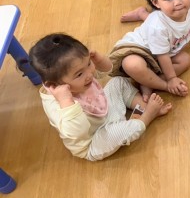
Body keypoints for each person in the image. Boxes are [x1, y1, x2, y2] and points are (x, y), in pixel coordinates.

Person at [29, 33, 172, 161]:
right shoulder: (56, 104)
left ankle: (143, 106)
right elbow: (77, 132)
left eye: (88, 64)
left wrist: (99, 60)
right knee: (119, 132)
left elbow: (107, 70)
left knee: (118, 82)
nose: (89, 74)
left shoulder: (80, 75)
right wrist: (66, 101)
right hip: (94, 140)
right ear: (55, 84)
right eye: (79, 74)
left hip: (105, 114)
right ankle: (147, 116)